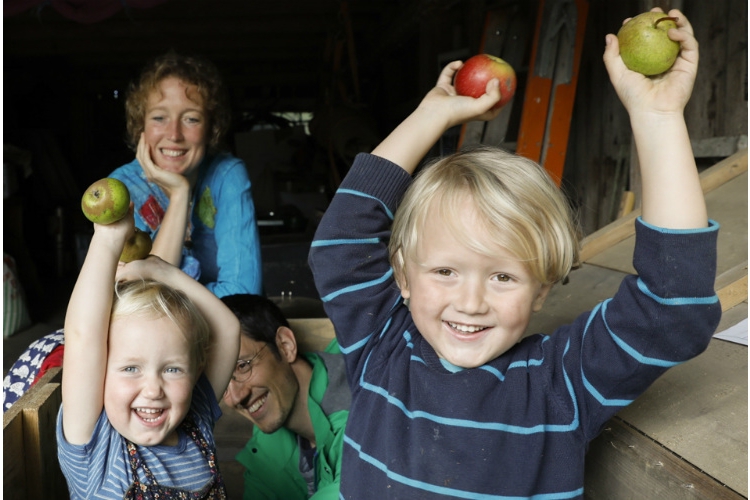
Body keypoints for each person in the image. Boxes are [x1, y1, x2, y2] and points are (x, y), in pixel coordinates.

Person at [308, 9, 721, 498]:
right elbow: (341, 242)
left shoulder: (558, 384)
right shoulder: (382, 347)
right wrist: (432, 114)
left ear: (542, 289)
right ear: (402, 276)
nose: (471, 301)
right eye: (444, 270)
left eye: (503, 277)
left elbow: (672, 308)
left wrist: (657, 118)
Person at [56, 205, 240, 498]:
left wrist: (160, 270)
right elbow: (83, 336)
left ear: (195, 369)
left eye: (172, 369)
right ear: (101, 372)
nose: (153, 389)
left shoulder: (196, 419)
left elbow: (227, 330)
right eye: (131, 368)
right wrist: (109, 239)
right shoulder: (97, 445)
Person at [109, 51, 263, 298]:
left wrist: (179, 190)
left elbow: (243, 295)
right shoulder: (121, 188)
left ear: (210, 129)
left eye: (191, 119)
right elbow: (142, 300)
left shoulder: (227, 176)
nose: (174, 134)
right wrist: (180, 196)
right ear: (141, 126)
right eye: (159, 117)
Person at [220, 294, 349, 499]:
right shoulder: (265, 449)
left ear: (285, 345)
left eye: (243, 366)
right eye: (221, 385)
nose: (235, 398)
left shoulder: (362, 405)